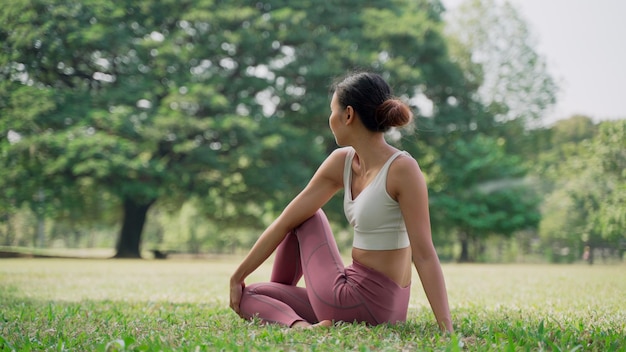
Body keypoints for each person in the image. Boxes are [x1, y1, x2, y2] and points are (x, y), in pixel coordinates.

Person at [229, 71, 453, 332]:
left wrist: (446, 331)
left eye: (332, 111)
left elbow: (424, 255)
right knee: (255, 289)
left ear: (348, 115)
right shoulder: (343, 162)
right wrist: (239, 275)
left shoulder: (401, 169)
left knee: (307, 219)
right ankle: (290, 308)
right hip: (380, 307)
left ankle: (296, 324)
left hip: (355, 300)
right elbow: (284, 222)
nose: (330, 119)